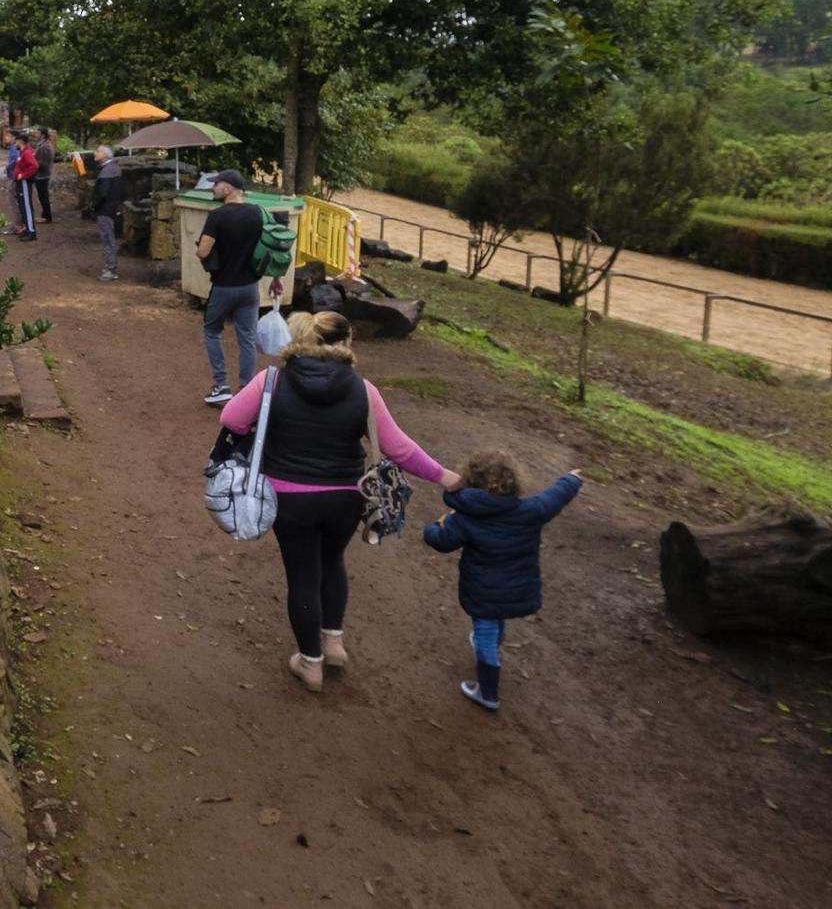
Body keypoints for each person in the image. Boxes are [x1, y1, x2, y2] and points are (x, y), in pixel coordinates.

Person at [218, 311, 461, 694]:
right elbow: (398, 448)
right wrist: (447, 476)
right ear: (344, 343)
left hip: (288, 497)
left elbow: (232, 418)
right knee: (332, 562)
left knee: (302, 574)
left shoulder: (272, 381)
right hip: (345, 497)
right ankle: (333, 643)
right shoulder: (364, 391)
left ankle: (310, 663)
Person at [423, 452, 583, 712]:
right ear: (513, 482)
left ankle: (487, 692)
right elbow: (556, 496)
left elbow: (441, 540)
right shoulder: (530, 510)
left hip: (482, 591)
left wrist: (433, 527)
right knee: (496, 620)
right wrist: (572, 479)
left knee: (485, 630)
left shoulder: (464, 518)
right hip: (515, 589)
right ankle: (490, 651)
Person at [195, 169, 263, 405]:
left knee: (211, 330)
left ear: (229, 188)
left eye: (217, 184)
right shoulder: (256, 213)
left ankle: (221, 385)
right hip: (251, 287)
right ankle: (246, 392)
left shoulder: (218, 216)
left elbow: (203, 251)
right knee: (247, 338)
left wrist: (202, 251)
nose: (213, 188)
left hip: (224, 285)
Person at [91, 145, 124, 280]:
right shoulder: (114, 169)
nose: (95, 152)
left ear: (105, 155)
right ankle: (111, 267)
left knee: (107, 239)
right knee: (109, 238)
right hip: (112, 208)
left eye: (98, 151)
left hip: (105, 209)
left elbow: (102, 193)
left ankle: (110, 269)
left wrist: (94, 206)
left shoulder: (107, 172)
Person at [10, 131, 39, 241]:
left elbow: (34, 166)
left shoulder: (26, 153)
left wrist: (23, 175)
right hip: (21, 183)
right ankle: (27, 228)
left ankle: (31, 231)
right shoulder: (24, 152)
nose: (15, 143)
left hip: (24, 183)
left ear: (20, 141)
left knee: (26, 207)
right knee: (23, 207)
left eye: (16, 141)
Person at [33, 128, 57, 224]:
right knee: (42, 196)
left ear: (42, 135)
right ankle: (44, 215)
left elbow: (43, 162)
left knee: (43, 196)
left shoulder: (44, 146)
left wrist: (32, 164)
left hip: (42, 174)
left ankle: (47, 217)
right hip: (42, 174)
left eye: (37, 133)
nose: (35, 134)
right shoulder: (44, 144)